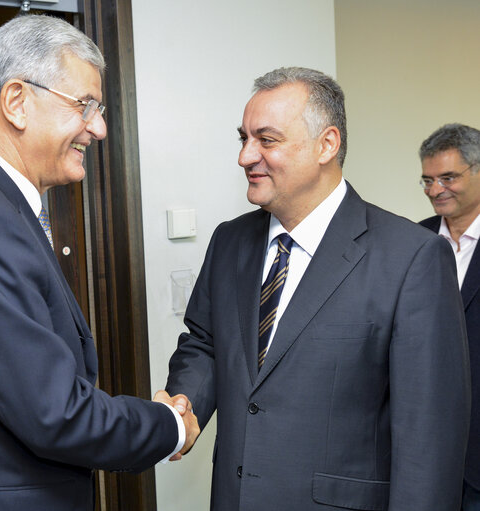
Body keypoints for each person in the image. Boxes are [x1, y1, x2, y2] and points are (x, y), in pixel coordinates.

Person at [0, 14, 198, 511]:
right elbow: (55, 414)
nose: (98, 128)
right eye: (85, 105)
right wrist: (167, 426)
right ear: (16, 101)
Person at [165, 67, 470, 510]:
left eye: (266, 140)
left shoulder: (412, 258)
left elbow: (430, 437)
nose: (246, 157)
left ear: (327, 144)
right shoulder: (229, 242)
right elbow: (205, 345)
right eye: (243, 138)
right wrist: (184, 406)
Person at [418, 123, 480, 510]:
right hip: (425, 449)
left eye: (448, 177)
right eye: (426, 180)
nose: (435, 190)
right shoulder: (413, 241)